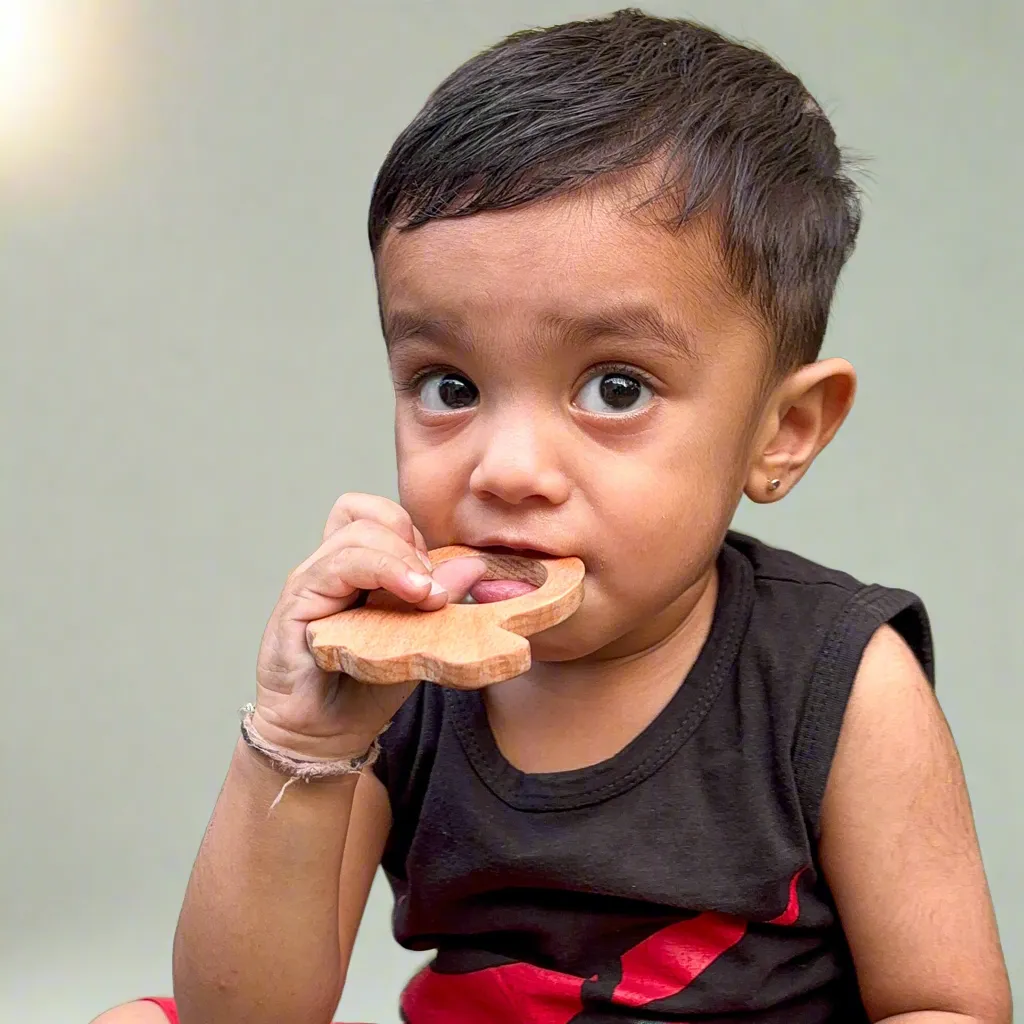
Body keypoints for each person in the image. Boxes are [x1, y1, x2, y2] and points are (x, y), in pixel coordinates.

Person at [94, 10, 1011, 1024]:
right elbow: (243, 1016)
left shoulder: (835, 682)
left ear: (782, 430)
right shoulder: (401, 679)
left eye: (614, 389)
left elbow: (946, 1008)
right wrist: (301, 737)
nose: (508, 467)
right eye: (447, 386)